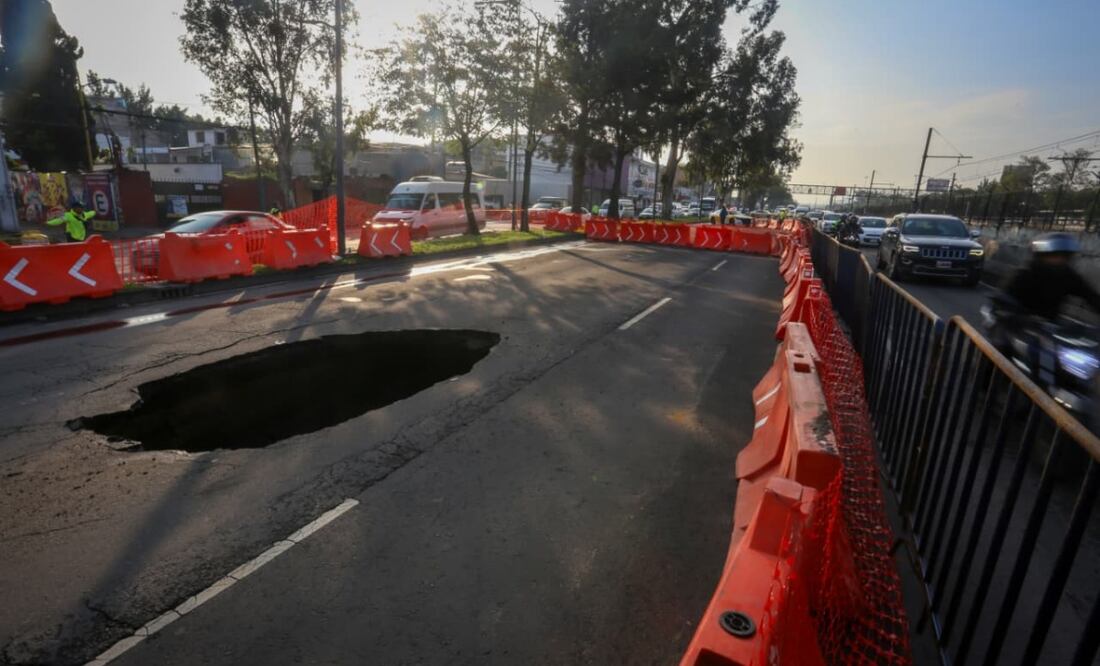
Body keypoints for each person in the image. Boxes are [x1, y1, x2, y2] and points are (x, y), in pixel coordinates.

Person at [1004, 232, 1100, 320]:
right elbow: (1004, 301)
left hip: (1048, 327)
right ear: (1042, 255)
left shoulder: (1068, 276)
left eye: (1065, 256)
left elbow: (1091, 297)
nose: (1060, 260)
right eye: (1055, 255)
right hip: (1017, 326)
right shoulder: (1025, 274)